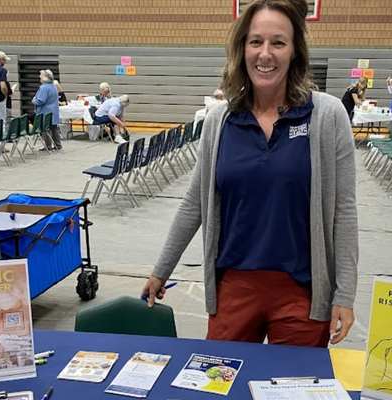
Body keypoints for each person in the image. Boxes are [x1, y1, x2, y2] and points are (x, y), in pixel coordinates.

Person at [142, 0, 358, 347]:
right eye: (255, 41)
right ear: (242, 49)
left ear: (294, 52)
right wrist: (161, 270)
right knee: (222, 383)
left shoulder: (327, 116)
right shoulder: (220, 121)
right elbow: (193, 204)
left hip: (302, 292)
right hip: (234, 289)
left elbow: (344, 212)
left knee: (295, 389)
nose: (265, 53)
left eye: (278, 42)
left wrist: (345, 295)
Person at [32, 69, 62, 151]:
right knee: (54, 128)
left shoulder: (44, 88)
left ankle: (48, 146)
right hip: (54, 111)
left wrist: (34, 100)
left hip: (45, 111)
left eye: (41, 76)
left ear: (45, 78)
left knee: (45, 129)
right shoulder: (53, 86)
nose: (39, 77)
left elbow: (40, 100)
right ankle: (58, 145)